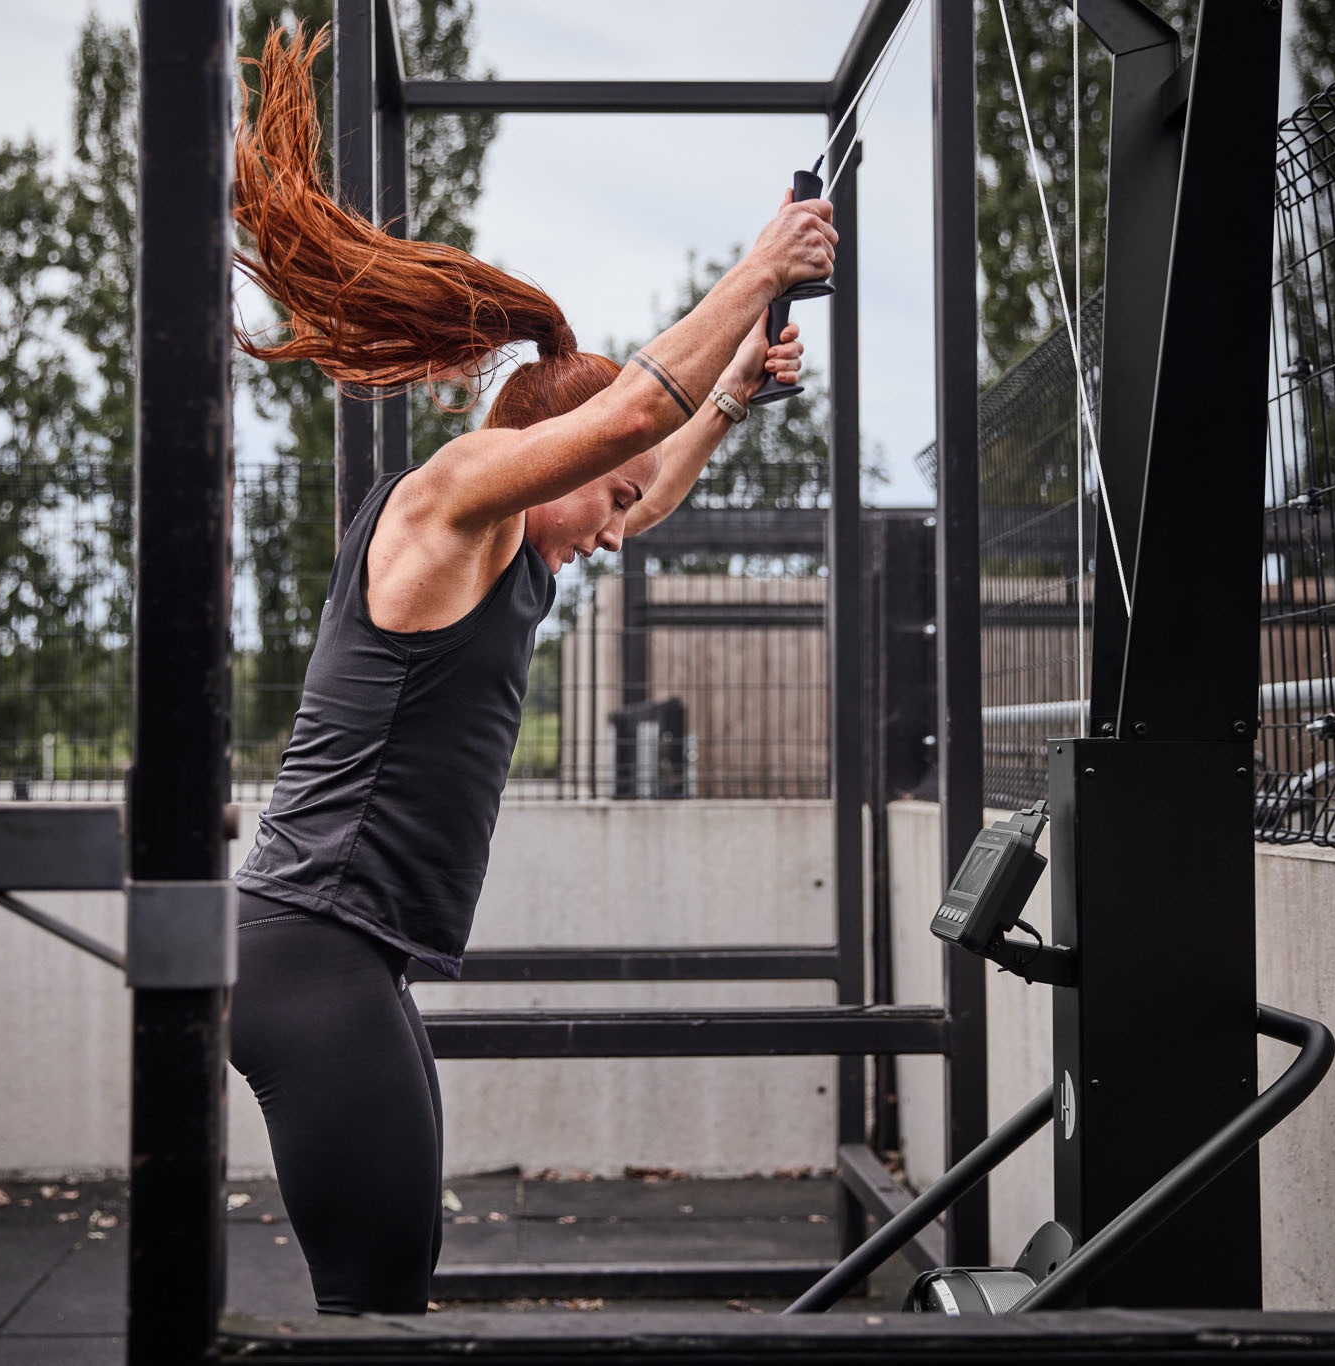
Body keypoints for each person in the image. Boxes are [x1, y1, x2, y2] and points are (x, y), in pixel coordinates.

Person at [226, 24, 835, 1316]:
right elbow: (624, 428)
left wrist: (732, 391)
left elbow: (642, 466)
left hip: (355, 956)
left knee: (392, 1280)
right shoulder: (449, 504)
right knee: (379, 1289)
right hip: (312, 949)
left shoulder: (522, 556)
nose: (619, 525)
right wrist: (756, 268)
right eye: (601, 497)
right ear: (546, 450)